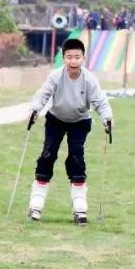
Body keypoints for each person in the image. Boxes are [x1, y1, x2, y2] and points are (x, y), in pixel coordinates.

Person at [27, 38, 113, 224]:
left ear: (83, 58)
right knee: (48, 154)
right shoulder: (55, 76)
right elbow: (43, 94)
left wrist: (107, 118)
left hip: (80, 121)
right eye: (69, 57)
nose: (73, 61)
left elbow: (100, 101)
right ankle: (36, 202)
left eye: (77, 57)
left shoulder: (89, 79)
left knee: (76, 156)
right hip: (55, 119)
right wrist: (35, 109)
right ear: (63, 58)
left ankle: (80, 205)